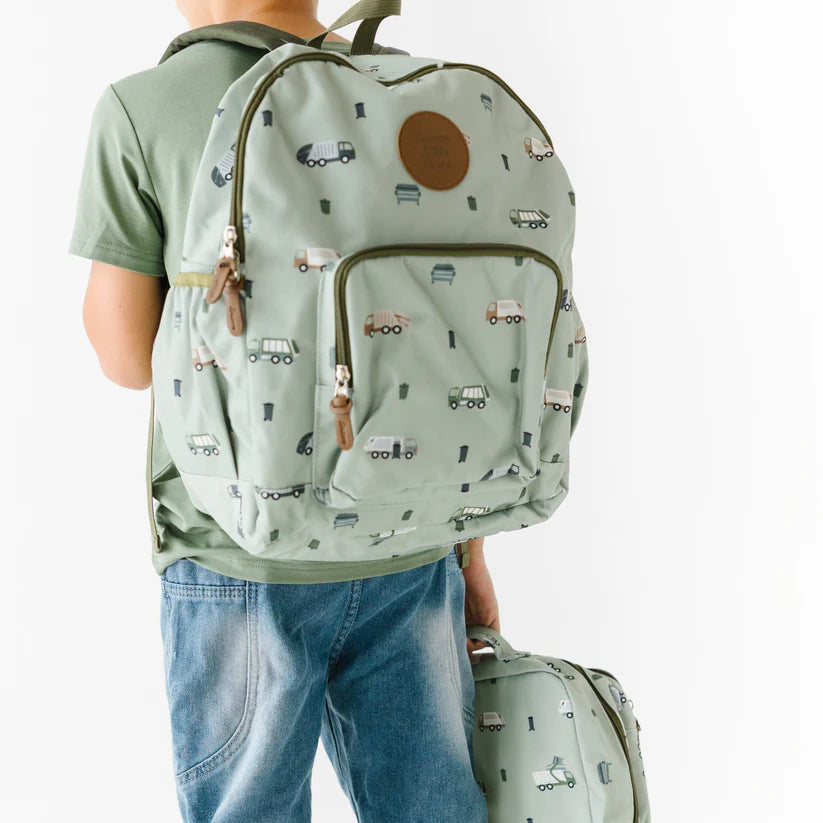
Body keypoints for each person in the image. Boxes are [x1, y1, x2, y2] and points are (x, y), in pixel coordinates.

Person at [70, 1, 501, 820]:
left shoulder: (144, 105)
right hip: (408, 535)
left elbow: (125, 358)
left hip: (237, 550)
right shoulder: (412, 91)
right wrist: (468, 547)